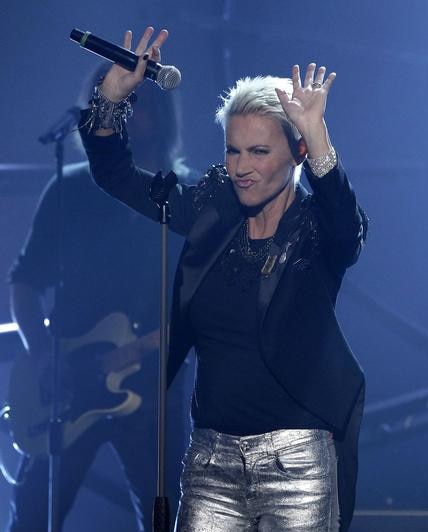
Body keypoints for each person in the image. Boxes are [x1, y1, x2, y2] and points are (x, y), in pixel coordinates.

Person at [78, 28, 367, 532]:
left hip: (297, 466)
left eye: (259, 152)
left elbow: (348, 226)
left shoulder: (317, 232)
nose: (241, 167)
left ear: (297, 153)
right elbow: (116, 176)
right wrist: (111, 96)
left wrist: (318, 135)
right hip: (210, 462)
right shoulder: (211, 211)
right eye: (233, 151)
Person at [5, 62, 192, 531]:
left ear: (161, 113)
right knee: (33, 516)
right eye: (113, 98)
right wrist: (43, 355)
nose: (126, 111)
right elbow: (25, 282)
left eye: (137, 100)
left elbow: (204, 301)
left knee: (166, 519)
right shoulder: (67, 189)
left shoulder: (184, 200)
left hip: (155, 391)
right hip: (66, 381)